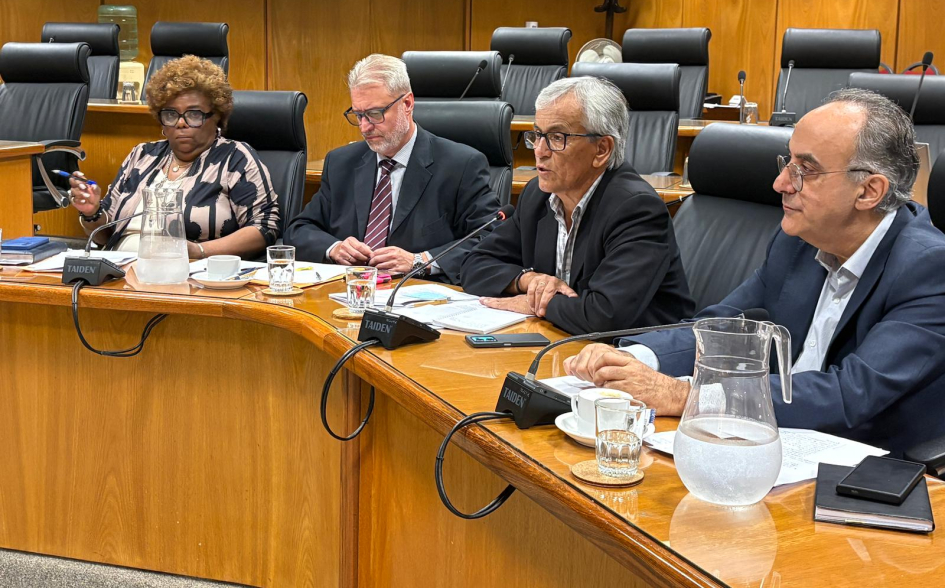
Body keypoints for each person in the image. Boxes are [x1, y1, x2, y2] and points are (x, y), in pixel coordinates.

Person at [563, 89, 945, 454]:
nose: (780, 183)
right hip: (772, 439)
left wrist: (685, 395)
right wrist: (639, 359)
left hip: (871, 469)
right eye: (787, 164)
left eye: (805, 171)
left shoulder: (928, 268)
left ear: (868, 191)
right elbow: (721, 325)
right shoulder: (796, 241)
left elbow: (851, 394)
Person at [460, 76, 694, 335]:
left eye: (556, 137)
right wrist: (530, 280)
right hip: (560, 341)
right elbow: (474, 265)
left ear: (601, 150)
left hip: (636, 357)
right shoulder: (537, 196)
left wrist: (538, 303)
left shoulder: (637, 210)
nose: (539, 150)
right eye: (537, 135)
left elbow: (604, 315)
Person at [283, 54, 500, 283]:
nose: (365, 127)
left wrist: (420, 261)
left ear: (407, 104)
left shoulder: (461, 165)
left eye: (375, 114)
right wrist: (334, 247)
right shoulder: (341, 163)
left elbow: (490, 235)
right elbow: (299, 228)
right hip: (348, 293)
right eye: (358, 115)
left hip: (420, 297)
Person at [68, 56, 281, 258]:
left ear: (216, 116)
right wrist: (92, 212)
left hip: (192, 276)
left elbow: (264, 228)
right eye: (171, 114)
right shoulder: (142, 155)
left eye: (194, 114)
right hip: (120, 271)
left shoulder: (234, 158)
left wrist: (198, 251)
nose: (181, 123)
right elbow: (106, 234)